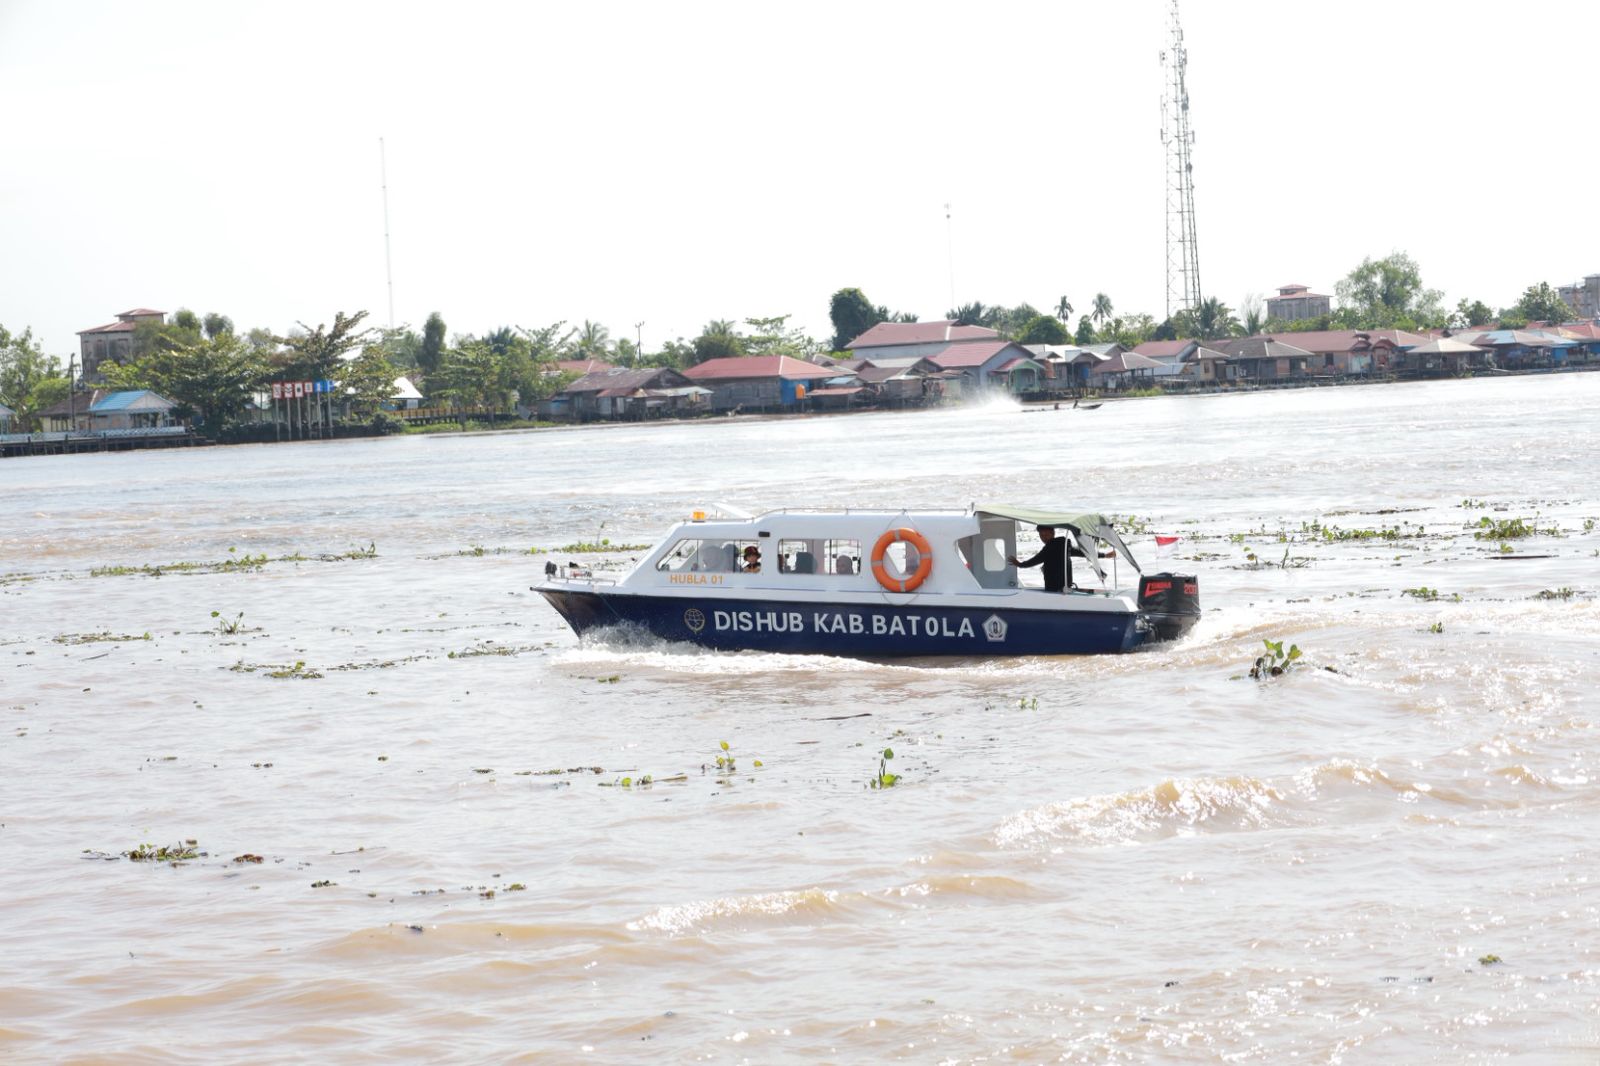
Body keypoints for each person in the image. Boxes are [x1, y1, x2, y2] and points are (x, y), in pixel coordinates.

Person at [1007, 525, 1107, 593]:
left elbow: (1035, 560)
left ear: (1053, 533)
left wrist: (1020, 564)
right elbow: (1084, 553)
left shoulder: (1049, 547)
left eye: (1046, 535)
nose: (1044, 538)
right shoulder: (1064, 546)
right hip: (1065, 588)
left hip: (1054, 589)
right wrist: (1105, 555)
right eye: (1041, 535)